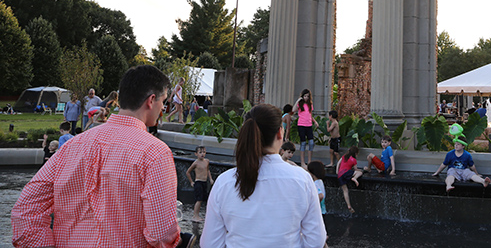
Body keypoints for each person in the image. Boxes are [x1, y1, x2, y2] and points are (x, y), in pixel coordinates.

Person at [12, 65, 182, 248]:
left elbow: (25, 212)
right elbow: (161, 234)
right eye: (163, 101)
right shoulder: (155, 152)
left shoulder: (73, 145)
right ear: (151, 100)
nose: (163, 109)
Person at [200, 104, 326, 247]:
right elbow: (316, 241)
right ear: (280, 133)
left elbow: (210, 244)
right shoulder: (302, 180)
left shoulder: (225, 182)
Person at [186, 145, 214, 222]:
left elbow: (208, 170)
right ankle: (195, 216)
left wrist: (210, 179)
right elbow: (188, 172)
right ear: (196, 154)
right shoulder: (196, 163)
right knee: (199, 199)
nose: (202, 154)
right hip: (198, 182)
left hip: (205, 182)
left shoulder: (207, 161)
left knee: (203, 199)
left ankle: (198, 215)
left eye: (204, 152)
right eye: (200, 152)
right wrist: (191, 182)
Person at [293, 89, 318, 168]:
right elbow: (293, 110)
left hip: (309, 125)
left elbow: (310, 115)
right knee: (303, 143)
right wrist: (298, 100)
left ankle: (309, 161)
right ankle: (303, 162)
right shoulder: (300, 104)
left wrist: (315, 122)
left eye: (307, 96)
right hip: (301, 125)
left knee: (311, 143)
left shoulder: (310, 104)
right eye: (305, 96)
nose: (306, 98)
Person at [336, 146, 363, 213]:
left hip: (340, 175)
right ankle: (355, 178)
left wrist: (337, 171)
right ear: (356, 153)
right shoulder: (353, 159)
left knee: (345, 190)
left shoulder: (344, 156)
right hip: (347, 172)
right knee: (360, 172)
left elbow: (338, 163)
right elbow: (355, 169)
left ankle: (349, 205)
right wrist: (362, 170)